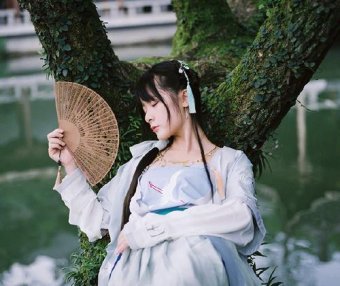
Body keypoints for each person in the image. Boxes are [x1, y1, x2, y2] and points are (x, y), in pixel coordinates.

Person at [47, 60, 266, 286]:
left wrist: (152, 229)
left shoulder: (229, 160)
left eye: (153, 104)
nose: (147, 117)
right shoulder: (144, 160)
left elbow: (242, 219)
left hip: (197, 268)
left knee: (188, 267)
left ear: (183, 97)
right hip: (136, 273)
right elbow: (99, 222)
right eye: (144, 109)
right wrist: (70, 166)